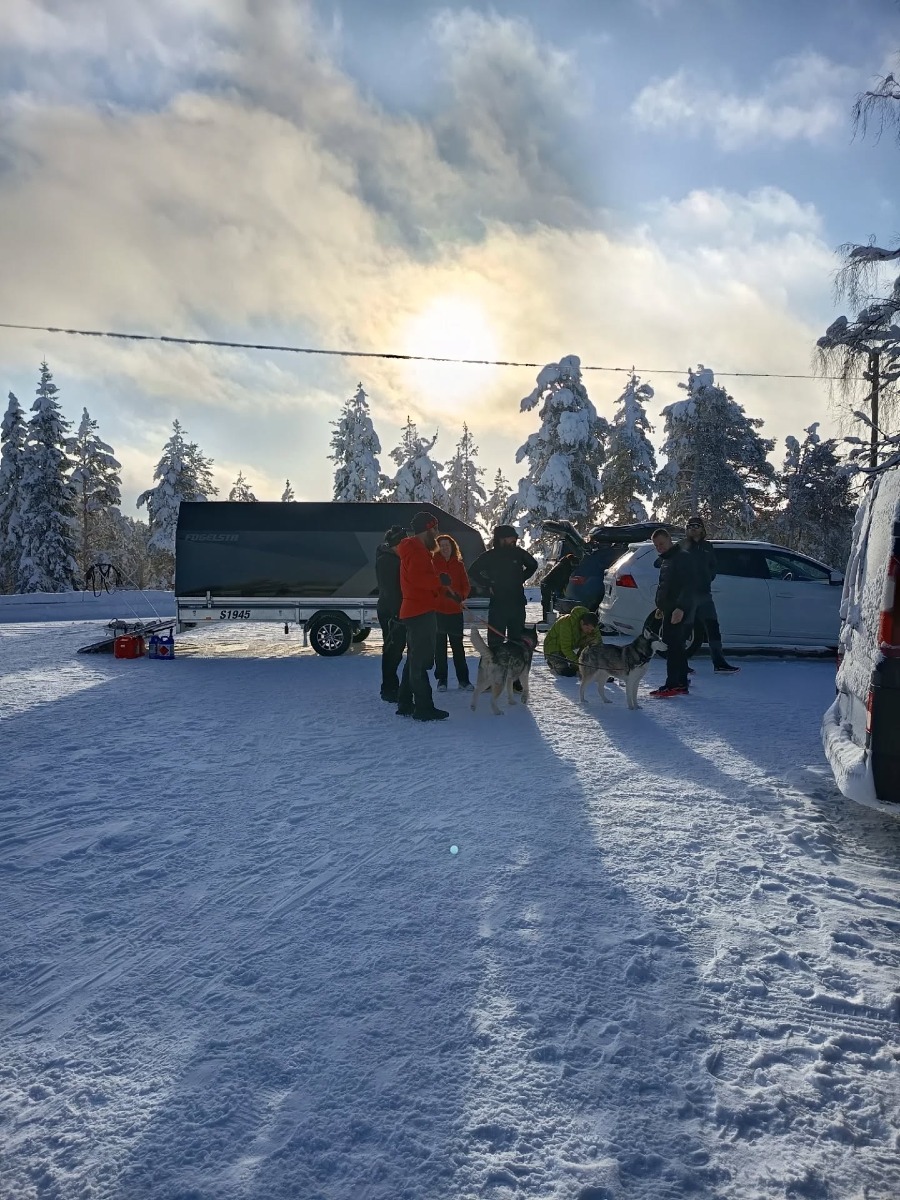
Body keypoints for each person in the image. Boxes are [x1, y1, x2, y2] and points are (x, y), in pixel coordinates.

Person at [395, 513, 456, 722]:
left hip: (416, 610)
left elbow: (421, 582)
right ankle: (424, 708)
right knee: (420, 663)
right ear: (428, 529)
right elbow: (420, 579)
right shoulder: (417, 551)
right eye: (436, 530)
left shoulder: (415, 549)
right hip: (419, 613)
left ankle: (404, 703)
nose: (437, 535)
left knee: (414, 659)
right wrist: (440, 580)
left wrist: (442, 589)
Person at [681, 516, 739, 674]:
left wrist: (708, 577)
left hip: (705, 595)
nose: (693, 528)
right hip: (687, 596)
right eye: (690, 525)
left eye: (697, 525)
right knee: (685, 631)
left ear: (702, 529)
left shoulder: (707, 546)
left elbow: (713, 566)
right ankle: (680, 664)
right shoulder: (681, 545)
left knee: (713, 628)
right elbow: (666, 564)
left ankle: (719, 663)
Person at [468, 525, 539, 649]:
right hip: (498, 605)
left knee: (516, 642)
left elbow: (533, 565)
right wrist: (488, 583)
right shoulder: (490, 556)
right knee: (495, 642)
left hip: (517, 604)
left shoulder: (518, 553)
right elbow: (473, 571)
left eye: (514, 539)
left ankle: (515, 667)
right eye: (511, 538)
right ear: (502, 539)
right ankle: (496, 667)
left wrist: (521, 578)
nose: (514, 541)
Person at [648, 528, 696, 699]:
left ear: (669, 540)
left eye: (661, 543)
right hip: (670, 609)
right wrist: (662, 607)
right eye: (656, 545)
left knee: (673, 647)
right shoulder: (667, 559)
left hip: (679, 610)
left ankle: (673, 684)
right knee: (676, 646)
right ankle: (681, 683)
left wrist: (680, 608)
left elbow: (689, 585)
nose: (659, 547)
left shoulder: (681, 557)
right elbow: (667, 586)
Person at [433, 534, 473, 692]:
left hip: (455, 611)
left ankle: (463, 680)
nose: (444, 548)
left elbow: (466, 585)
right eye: (442, 545)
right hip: (438, 612)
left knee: (458, 647)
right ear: (438, 548)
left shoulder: (458, 564)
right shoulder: (433, 563)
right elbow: (430, 585)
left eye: (447, 545)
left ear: (452, 547)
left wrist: (461, 595)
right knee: (439, 648)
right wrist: (440, 589)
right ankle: (441, 680)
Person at [375, 525, 407, 703]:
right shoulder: (388, 561)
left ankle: (390, 685)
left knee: (393, 649)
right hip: (392, 611)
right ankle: (389, 688)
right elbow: (391, 590)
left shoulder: (389, 557)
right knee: (392, 650)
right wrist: (397, 613)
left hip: (391, 609)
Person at [543, 605, 602, 676]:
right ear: (581, 622)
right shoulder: (565, 623)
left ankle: (579, 663)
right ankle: (552, 661)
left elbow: (599, 643)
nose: (589, 631)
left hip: (569, 645)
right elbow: (565, 648)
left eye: (591, 629)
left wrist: (601, 666)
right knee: (566, 671)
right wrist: (579, 664)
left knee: (592, 640)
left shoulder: (592, 623)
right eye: (587, 628)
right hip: (553, 647)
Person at [539, 551, 577, 622]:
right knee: (547, 602)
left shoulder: (562, 563)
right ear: (571, 561)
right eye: (574, 564)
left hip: (546, 584)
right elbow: (562, 581)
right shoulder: (564, 567)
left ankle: (547, 619)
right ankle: (546, 620)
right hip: (547, 585)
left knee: (548, 602)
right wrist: (560, 592)